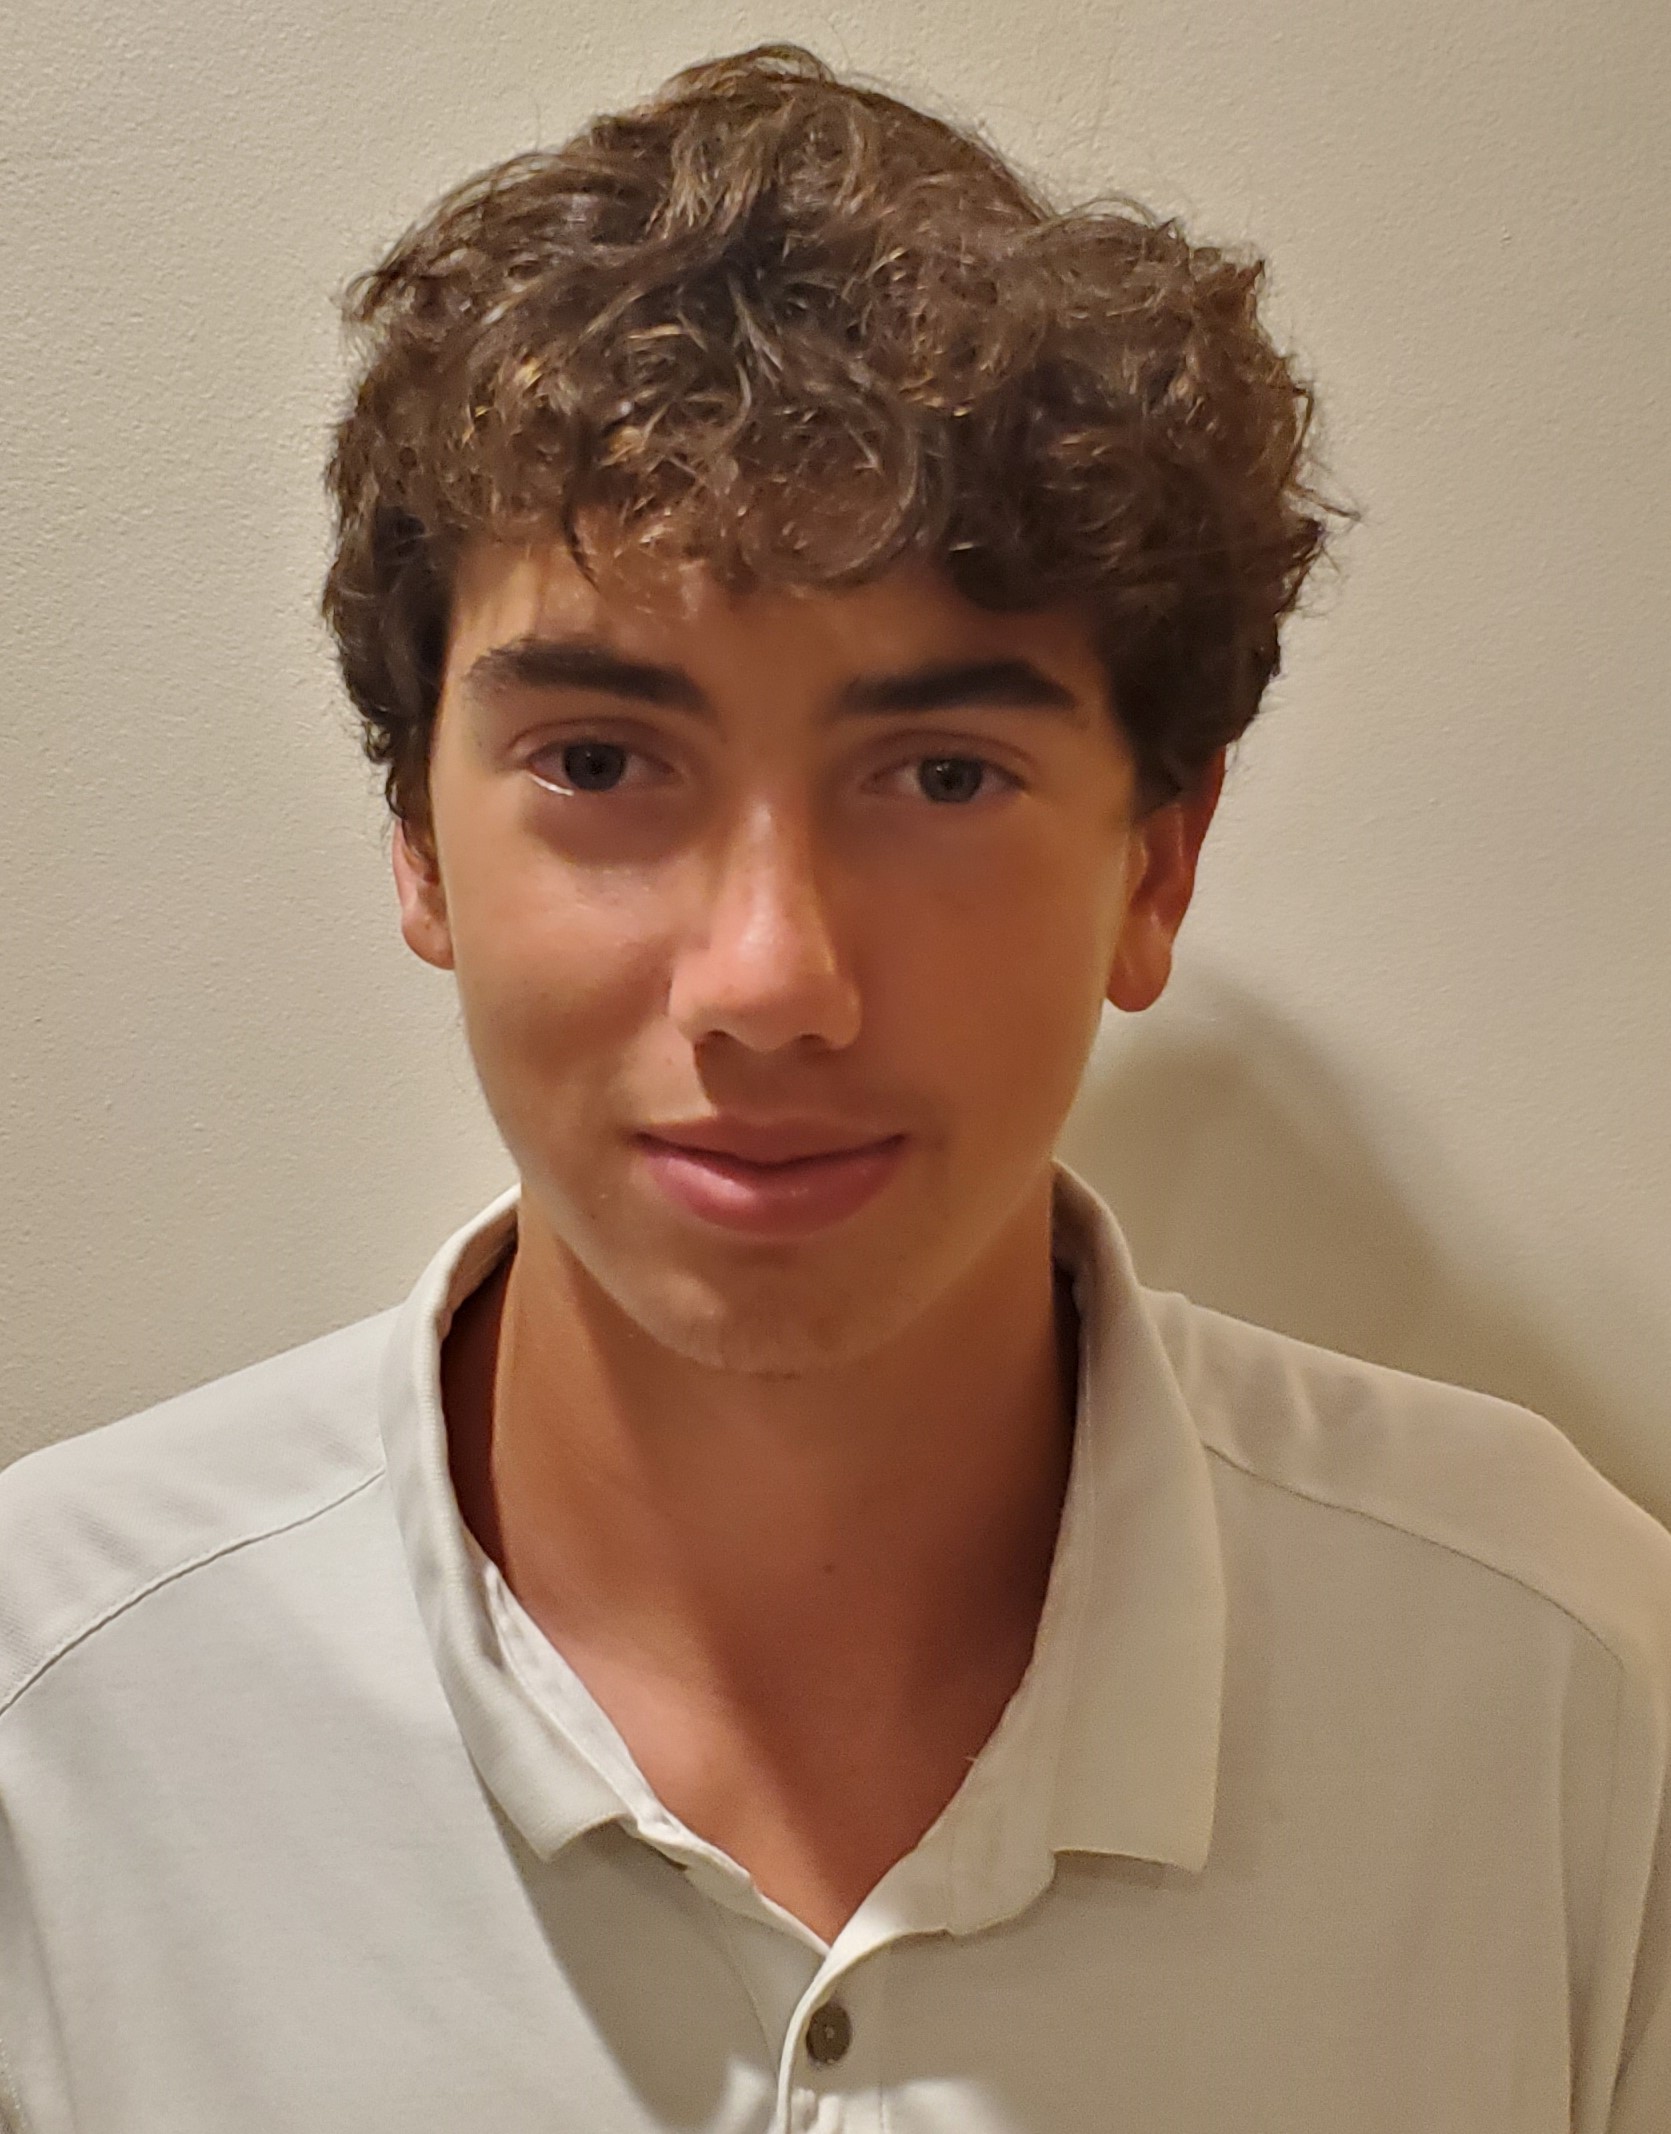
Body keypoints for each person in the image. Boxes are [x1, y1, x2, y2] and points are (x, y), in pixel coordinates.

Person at [0, 42, 1665, 2134]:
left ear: (1154, 866)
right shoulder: (55, 1719)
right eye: (599, 761)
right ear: (416, 840)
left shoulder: (1556, 1690)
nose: (772, 979)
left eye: (942, 775)